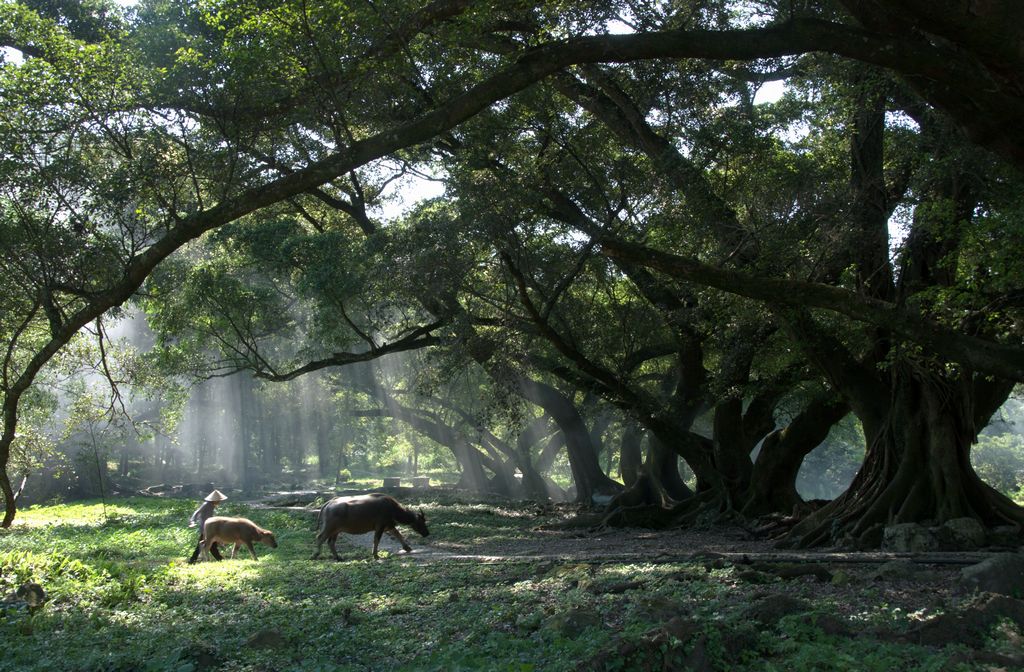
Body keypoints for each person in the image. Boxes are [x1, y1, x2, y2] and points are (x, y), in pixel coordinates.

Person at [187, 489, 227, 564]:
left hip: (209, 528)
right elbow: (197, 512)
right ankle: (192, 560)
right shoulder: (207, 504)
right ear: (214, 499)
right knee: (204, 544)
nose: (219, 502)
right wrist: (192, 521)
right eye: (218, 500)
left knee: (212, 545)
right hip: (205, 528)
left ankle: (219, 559)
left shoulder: (211, 505)